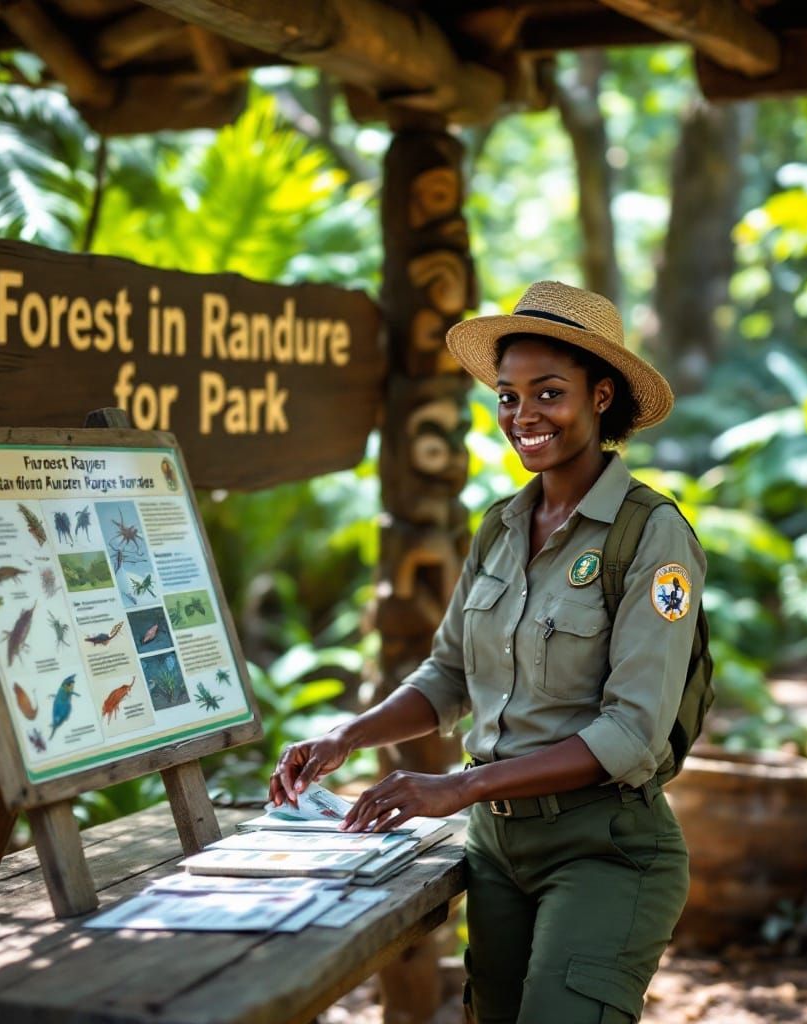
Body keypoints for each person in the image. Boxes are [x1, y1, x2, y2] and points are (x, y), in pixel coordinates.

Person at [269, 281, 705, 1024]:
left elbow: (631, 732)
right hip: (498, 850)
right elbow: (448, 675)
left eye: (548, 392)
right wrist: (347, 735)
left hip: (604, 847)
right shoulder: (501, 526)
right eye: (508, 396)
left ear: (602, 398)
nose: (523, 416)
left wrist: (459, 786)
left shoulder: (650, 535)